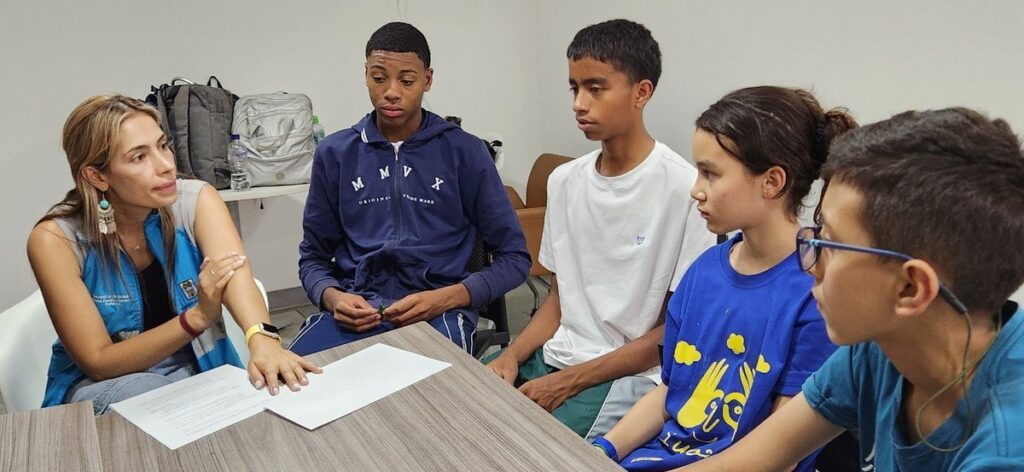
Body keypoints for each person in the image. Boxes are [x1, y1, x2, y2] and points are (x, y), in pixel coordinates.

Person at [684, 108, 1024, 471]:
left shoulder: (1003, 450)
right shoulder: (882, 345)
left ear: (910, 288)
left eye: (830, 244)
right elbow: (746, 462)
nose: (811, 264)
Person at [593, 86, 855, 471]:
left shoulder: (814, 296)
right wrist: (605, 450)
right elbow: (671, 393)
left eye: (710, 174)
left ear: (772, 181)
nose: (696, 190)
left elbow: (782, 453)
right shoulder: (704, 272)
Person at [486, 19, 716, 439]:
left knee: (531, 447)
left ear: (641, 92)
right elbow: (559, 301)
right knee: (463, 404)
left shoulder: (685, 190)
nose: (579, 103)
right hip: (554, 355)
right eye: (574, 88)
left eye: (595, 88)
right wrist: (513, 355)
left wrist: (571, 381)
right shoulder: (565, 182)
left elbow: (673, 331)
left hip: (624, 374)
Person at [28, 95, 319, 414]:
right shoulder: (54, 240)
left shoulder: (195, 200)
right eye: (139, 157)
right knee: (155, 396)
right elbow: (98, 362)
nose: (166, 165)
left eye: (163, 146)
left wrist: (263, 339)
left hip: (200, 370)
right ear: (98, 176)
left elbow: (234, 272)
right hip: (107, 387)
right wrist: (197, 317)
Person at [291, 21, 529, 356]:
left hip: (439, 315)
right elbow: (313, 258)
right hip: (355, 314)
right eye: (378, 78)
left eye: (406, 80)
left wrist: (450, 297)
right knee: (288, 391)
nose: (391, 91)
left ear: (427, 80)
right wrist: (333, 297)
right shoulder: (336, 154)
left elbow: (515, 258)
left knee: (431, 403)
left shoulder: (464, 152)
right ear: (365, 75)